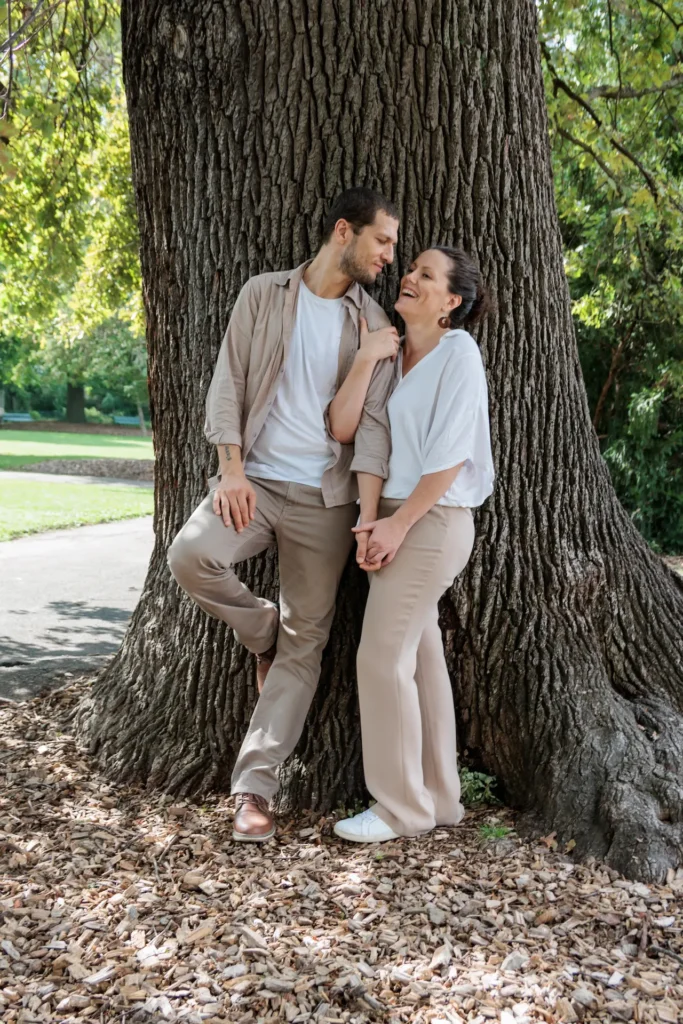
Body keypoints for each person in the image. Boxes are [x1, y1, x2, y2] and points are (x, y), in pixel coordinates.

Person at [167, 187, 401, 843]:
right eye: (380, 240)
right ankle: (260, 625)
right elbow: (228, 382)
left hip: (326, 503)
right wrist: (232, 469)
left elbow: (367, 430)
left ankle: (252, 790)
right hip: (257, 483)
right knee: (190, 555)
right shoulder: (263, 293)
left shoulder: (374, 326)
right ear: (341, 233)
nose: (388, 254)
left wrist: (366, 512)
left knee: (308, 647)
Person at [329, 246, 495, 843]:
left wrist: (399, 526)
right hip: (393, 519)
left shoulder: (459, 353)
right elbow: (371, 443)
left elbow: (450, 457)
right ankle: (441, 799)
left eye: (426, 274)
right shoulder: (392, 354)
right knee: (422, 660)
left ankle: (402, 809)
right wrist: (370, 521)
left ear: (451, 302)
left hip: (435, 520)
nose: (410, 277)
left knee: (380, 659)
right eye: (411, 269)